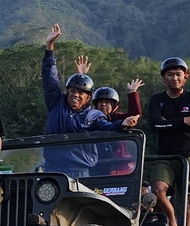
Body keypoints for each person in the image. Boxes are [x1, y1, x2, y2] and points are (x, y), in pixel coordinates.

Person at [41, 25, 138, 177]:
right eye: (72, 91)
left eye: (81, 93)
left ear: (88, 97)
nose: (76, 95)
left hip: (80, 172)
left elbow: (106, 126)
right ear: (67, 91)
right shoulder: (56, 102)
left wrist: (122, 124)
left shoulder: (93, 115)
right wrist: (50, 46)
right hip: (52, 169)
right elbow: (49, 77)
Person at [148, 56, 190, 226]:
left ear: (185, 76)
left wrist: (168, 123)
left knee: (187, 199)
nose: (174, 78)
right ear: (163, 79)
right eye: (170, 75)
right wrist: (183, 121)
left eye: (178, 74)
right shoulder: (157, 100)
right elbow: (155, 125)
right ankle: (173, 223)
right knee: (158, 190)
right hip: (165, 155)